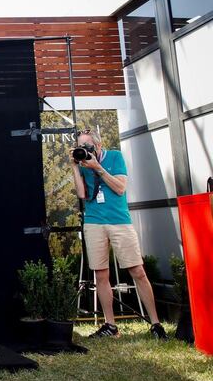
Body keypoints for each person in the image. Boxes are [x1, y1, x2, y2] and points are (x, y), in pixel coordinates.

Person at [70, 128, 168, 340]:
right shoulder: (82, 164)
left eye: (87, 145)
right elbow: (82, 194)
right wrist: (75, 168)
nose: (84, 150)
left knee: (138, 271)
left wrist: (97, 167)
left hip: (119, 222)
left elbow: (120, 188)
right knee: (101, 274)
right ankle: (111, 326)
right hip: (94, 222)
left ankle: (156, 324)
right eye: (81, 146)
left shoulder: (114, 156)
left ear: (98, 145)